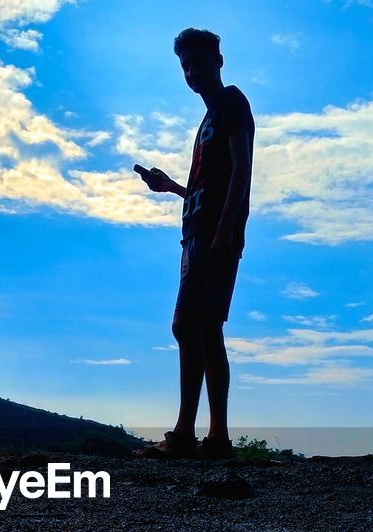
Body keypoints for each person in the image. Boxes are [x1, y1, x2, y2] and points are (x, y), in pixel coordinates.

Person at [136, 28, 254, 460]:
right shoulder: (206, 121)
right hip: (197, 232)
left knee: (187, 324)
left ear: (218, 60)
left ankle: (185, 434)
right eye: (185, 66)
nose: (192, 72)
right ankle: (216, 438)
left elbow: (242, 170)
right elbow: (211, 185)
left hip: (212, 234)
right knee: (205, 328)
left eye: (199, 62)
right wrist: (171, 187)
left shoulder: (231, 102)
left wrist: (225, 229)